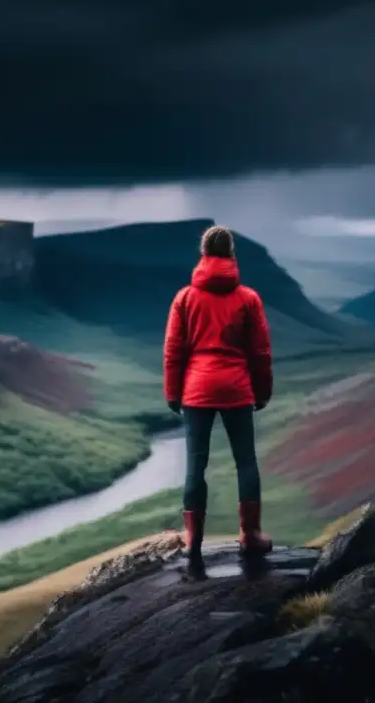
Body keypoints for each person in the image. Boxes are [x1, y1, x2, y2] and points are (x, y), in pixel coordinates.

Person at [163, 224, 274, 559]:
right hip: (237, 388)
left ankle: (193, 539)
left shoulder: (185, 298)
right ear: (232, 254)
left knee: (196, 465)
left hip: (196, 390)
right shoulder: (248, 299)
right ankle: (250, 534)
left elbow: (173, 350)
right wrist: (262, 392)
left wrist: (173, 393)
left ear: (203, 254)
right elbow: (260, 352)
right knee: (246, 462)